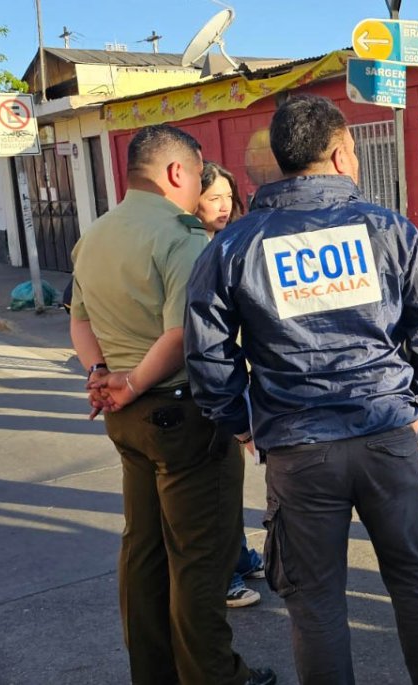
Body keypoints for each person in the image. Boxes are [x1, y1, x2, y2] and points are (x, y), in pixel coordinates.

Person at [183, 95, 418, 685]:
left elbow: (207, 350)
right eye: (354, 151)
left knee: (315, 603)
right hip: (386, 432)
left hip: (296, 446)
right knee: (415, 581)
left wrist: (241, 421)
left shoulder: (232, 245)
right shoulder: (389, 229)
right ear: (339, 155)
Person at [69, 124, 274, 685]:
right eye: (198, 175)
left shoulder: (96, 234)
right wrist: (133, 382)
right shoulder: (181, 237)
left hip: (125, 417)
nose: (200, 188)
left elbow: (79, 321)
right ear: (177, 172)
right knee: (200, 557)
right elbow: (184, 334)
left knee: (144, 548)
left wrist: (101, 376)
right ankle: (215, 675)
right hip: (181, 414)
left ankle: (153, 671)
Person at [195, 160, 265, 609]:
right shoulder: (192, 248)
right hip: (209, 382)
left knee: (229, 481)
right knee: (214, 487)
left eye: (228, 197)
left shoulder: (233, 243)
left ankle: (239, 556)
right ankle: (224, 575)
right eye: (213, 198)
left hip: (235, 378)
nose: (224, 206)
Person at [198, 161, 246, 235]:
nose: (225, 208)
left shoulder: (240, 236)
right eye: (215, 198)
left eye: (229, 196)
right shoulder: (183, 240)